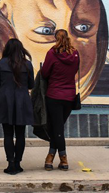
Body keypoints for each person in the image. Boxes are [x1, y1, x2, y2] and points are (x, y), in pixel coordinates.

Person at [0, 38, 34, 175]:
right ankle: (18, 163)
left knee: (8, 134)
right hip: (22, 100)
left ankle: (10, 163)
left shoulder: (1, 63)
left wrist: (5, 89)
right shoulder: (27, 64)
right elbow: (31, 84)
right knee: (20, 134)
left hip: (5, 100)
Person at [40, 29, 80, 171]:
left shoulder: (52, 53)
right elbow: (75, 70)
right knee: (58, 127)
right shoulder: (75, 54)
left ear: (55, 38)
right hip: (69, 96)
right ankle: (51, 157)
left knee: (57, 128)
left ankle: (61, 158)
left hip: (54, 95)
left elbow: (45, 73)